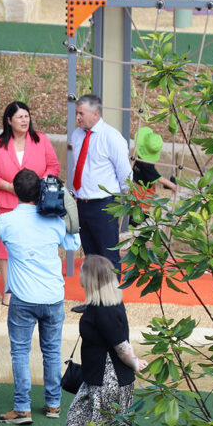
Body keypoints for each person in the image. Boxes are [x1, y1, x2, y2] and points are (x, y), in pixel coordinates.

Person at [0, 169, 80, 425]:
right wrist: (65, 210)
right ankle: (53, 404)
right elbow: (73, 245)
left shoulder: (5, 221)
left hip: (22, 298)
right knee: (52, 352)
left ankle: (22, 407)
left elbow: (4, 239)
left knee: (20, 352)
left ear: (15, 190)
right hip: (53, 295)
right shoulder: (54, 221)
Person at [66, 255, 147, 426]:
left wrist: (134, 362)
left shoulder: (106, 311)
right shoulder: (105, 304)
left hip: (107, 381)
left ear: (92, 278)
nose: (79, 275)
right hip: (102, 379)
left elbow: (121, 346)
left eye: (82, 271)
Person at [0, 100, 61, 305]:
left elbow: (53, 166)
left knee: (34, 242)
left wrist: (39, 184)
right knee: (5, 247)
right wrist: (7, 186)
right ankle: (9, 289)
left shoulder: (41, 140)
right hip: (7, 201)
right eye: (20, 117)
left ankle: (33, 285)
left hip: (36, 201)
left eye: (27, 116)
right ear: (9, 120)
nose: (24, 120)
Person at [69, 94, 131, 290]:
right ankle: (93, 301)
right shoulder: (77, 135)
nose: (77, 117)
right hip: (82, 202)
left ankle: (111, 304)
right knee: (90, 255)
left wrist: (126, 202)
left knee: (108, 255)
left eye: (81, 113)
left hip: (104, 204)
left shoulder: (112, 137)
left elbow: (124, 172)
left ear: (96, 114)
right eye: (76, 113)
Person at [129, 126, 178, 226]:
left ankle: (138, 218)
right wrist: (172, 186)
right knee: (141, 207)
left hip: (138, 182)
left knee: (137, 204)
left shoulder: (140, 157)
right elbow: (158, 178)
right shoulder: (146, 165)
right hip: (141, 187)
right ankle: (137, 221)